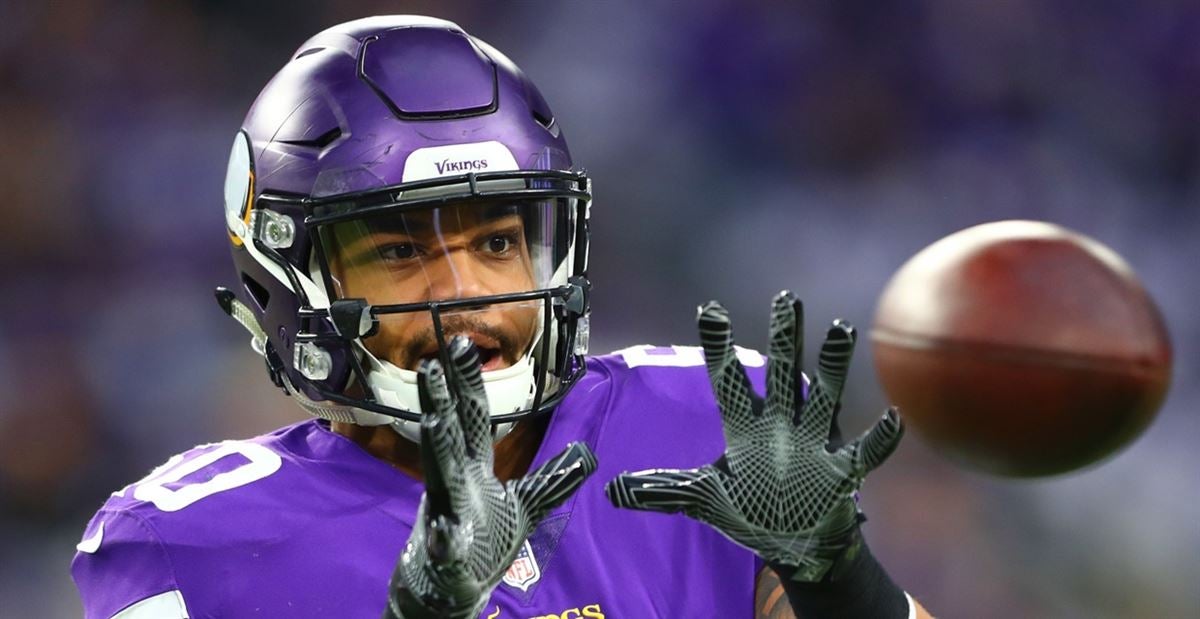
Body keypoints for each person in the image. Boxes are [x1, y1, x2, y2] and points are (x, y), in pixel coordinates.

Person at [72, 15, 933, 619]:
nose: (465, 296)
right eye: (401, 253)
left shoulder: (706, 419)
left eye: (494, 241)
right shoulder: (192, 538)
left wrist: (840, 581)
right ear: (286, 282)